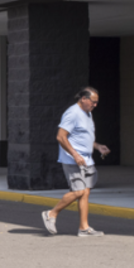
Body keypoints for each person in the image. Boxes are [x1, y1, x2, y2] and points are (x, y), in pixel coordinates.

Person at [41, 87, 111, 237]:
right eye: (93, 102)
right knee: (78, 191)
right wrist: (75, 155)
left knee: (85, 193)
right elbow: (61, 137)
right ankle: (51, 214)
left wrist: (98, 146)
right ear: (83, 99)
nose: (95, 105)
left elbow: (83, 137)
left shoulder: (88, 113)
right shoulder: (72, 113)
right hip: (73, 159)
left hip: (87, 158)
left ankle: (83, 228)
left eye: (97, 102)